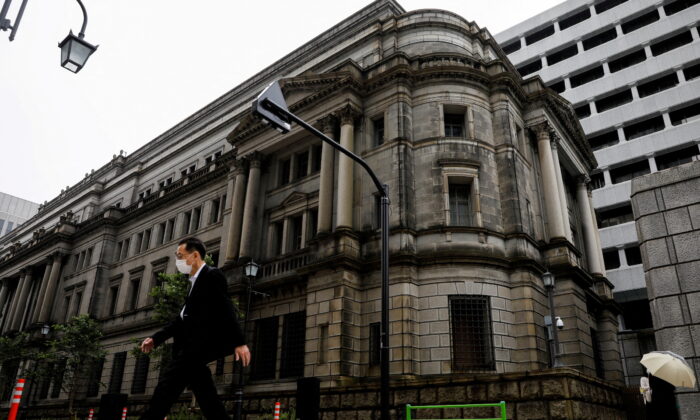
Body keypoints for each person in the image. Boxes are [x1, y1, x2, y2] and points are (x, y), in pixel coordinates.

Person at [139, 237, 250, 420]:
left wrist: (239, 342)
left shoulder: (212, 275)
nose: (178, 261)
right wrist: (156, 338)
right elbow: (181, 320)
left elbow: (225, 307)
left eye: (180, 256)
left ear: (195, 255)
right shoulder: (194, 282)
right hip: (191, 350)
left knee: (164, 390)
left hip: (194, 349)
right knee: (207, 398)